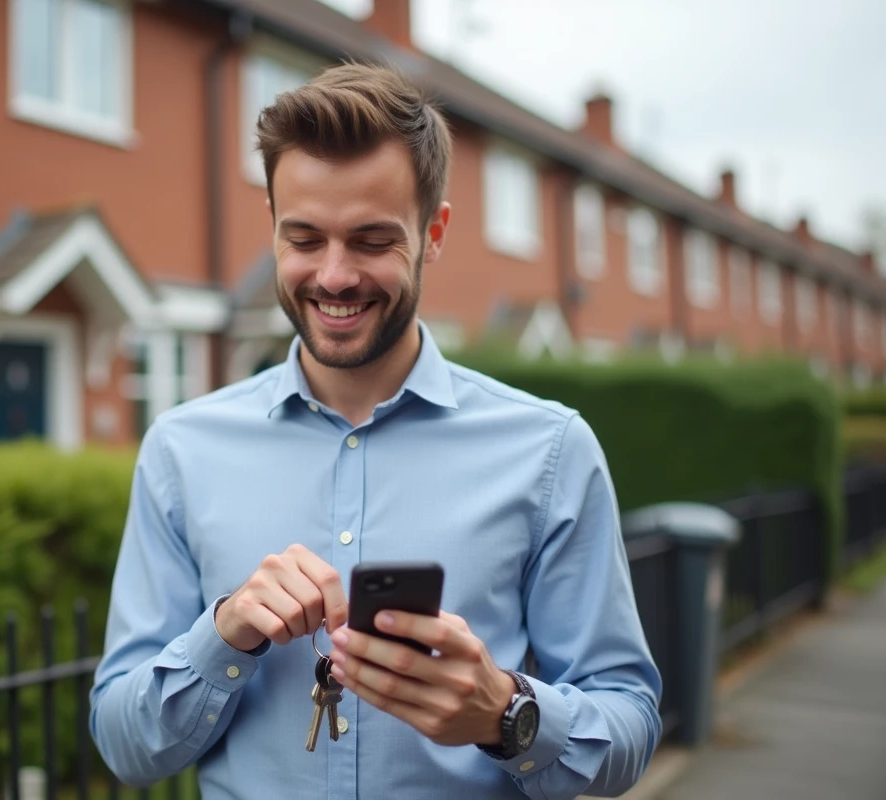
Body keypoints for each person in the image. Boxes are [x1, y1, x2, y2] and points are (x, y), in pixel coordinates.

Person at [89, 62, 662, 799]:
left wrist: (506, 711)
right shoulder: (181, 451)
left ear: (435, 233)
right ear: (271, 224)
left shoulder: (551, 451)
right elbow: (123, 746)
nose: (332, 276)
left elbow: (630, 728)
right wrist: (224, 633)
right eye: (304, 238)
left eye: (370, 241)